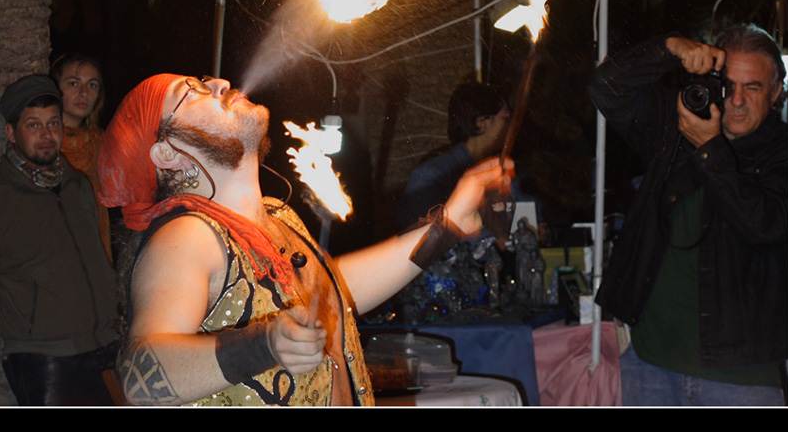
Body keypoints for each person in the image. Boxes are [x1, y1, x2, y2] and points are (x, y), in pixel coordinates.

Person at [98, 73, 511, 406]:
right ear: (167, 154)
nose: (220, 84)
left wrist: (448, 224)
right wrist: (266, 342)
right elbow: (140, 376)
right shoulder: (188, 234)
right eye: (192, 93)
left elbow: (331, 291)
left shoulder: (278, 215)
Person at [590, 25, 788, 406]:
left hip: (740, 375)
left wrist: (709, 148)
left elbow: (766, 225)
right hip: (650, 361)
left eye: (754, 87)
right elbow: (606, 88)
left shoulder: (784, 155)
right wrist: (669, 48)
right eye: (727, 84)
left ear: (777, 93)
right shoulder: (678, 124)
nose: (736, 101)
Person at [0, 75, 119, 406]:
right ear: (11, 133)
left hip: (106, 346)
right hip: (43, 359)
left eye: (53, 123)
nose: (47, 135)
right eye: (33, 125)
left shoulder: (78, 185)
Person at [397, 82, 509, 229]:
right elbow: (422, 242)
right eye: (506, 117)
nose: (511, 124)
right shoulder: (430, 176)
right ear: (482, 123)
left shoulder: (494, 168)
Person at [51, 53, 112, 260]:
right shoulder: (44, 142)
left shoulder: (102, 141)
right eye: (73, 83)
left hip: (94, 248)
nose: (84, 92)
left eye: (92, 85)